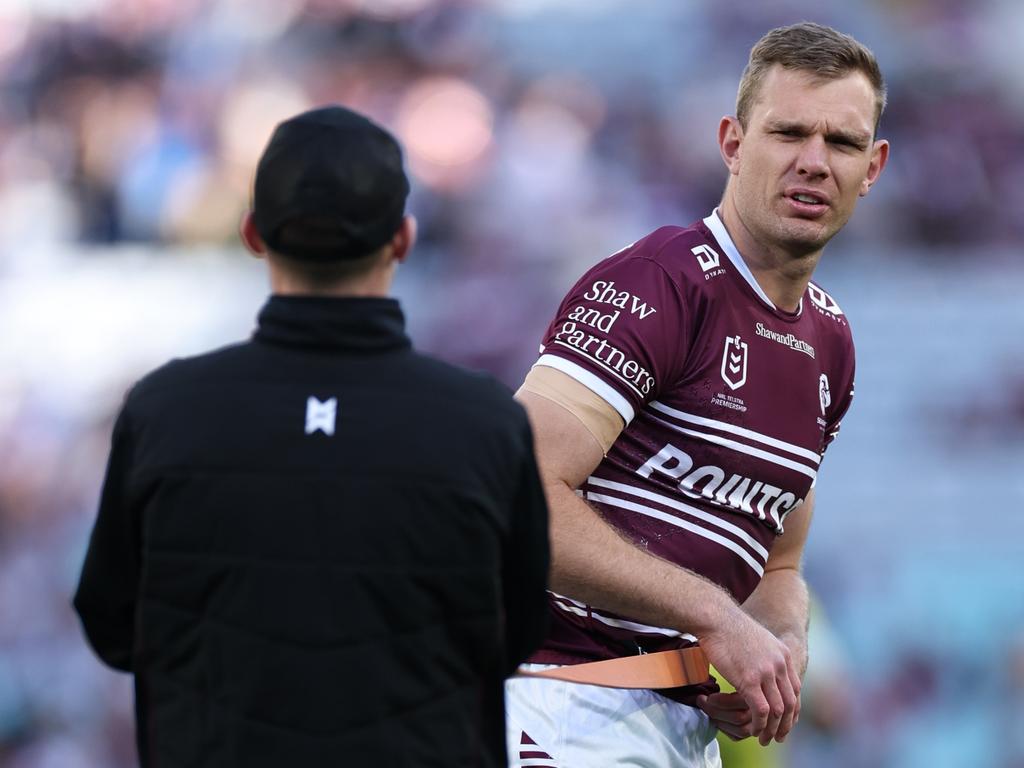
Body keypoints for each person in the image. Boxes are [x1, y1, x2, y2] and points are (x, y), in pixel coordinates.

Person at [73, 105, 550, 768]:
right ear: (403, 239)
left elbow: (112, 625)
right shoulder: (484, 420)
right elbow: (518, 632)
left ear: (251, 233)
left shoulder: (164, 411)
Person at [505, 21, 889, 768]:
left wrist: (781, 645)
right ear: (733, 143)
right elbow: (515, 493)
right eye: (788, 133)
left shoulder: (831, 343)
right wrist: (717, 615)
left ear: (872, 167)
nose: (814, 162)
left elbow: (778, 558)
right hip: (552, 699)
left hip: (679, 732)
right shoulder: (659, 284)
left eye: (841, 144)